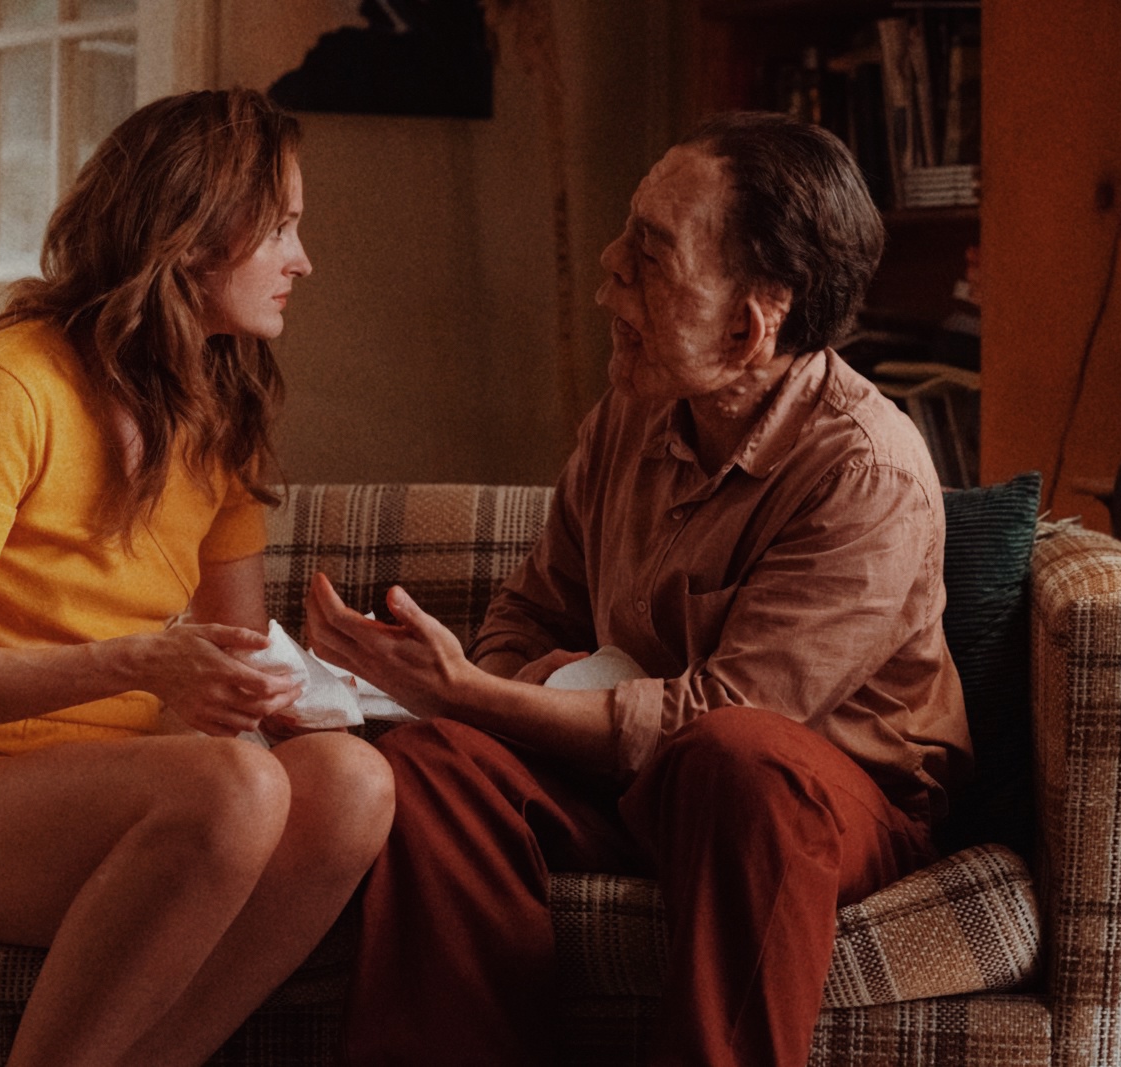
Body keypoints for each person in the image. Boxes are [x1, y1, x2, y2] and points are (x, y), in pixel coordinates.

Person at [306, 111, 973, 1067]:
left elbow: (729, 712)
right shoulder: (633, 410)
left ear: (749, 325)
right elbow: (534, 608)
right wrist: (483, 692)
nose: (606, 273)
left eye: (649, 255)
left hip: (826, 803)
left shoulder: (867, 470)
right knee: (433, 759)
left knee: (737, 758)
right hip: (637, 781)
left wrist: (474, 691)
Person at [0, 89, 394, 1067]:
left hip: (146, 782)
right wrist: (141, 661)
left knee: (354, 782)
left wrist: (344, 684)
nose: (303, 260)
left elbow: (234, 662)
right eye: (281, 228)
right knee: (233, 788)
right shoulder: (10, 382)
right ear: (194, 234)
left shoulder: (220, 408)